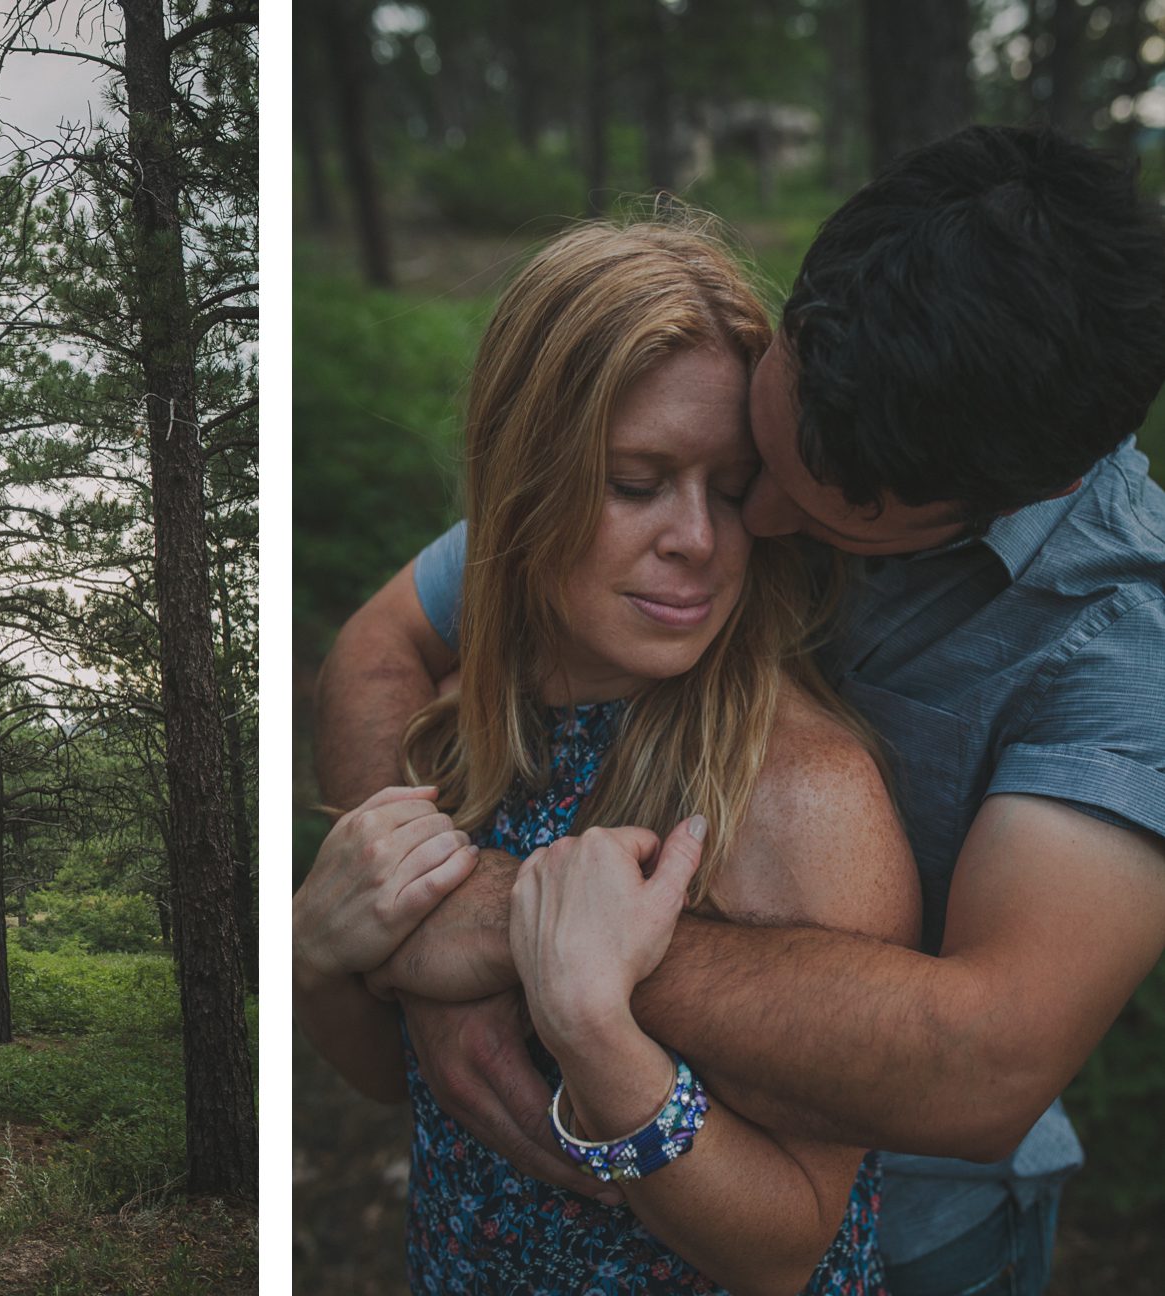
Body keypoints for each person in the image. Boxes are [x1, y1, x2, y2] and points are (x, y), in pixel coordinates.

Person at [311, 125, 1165, 1293]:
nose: (743, 530)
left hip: (924, 1233)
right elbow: (385, 641)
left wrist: (508, 928)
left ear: (996, 499)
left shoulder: (1120, 651)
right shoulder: (714, 434)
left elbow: (982, 1065)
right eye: (763, 435)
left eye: (818, 514)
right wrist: (388, 912)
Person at [297, 217, 921, 1292]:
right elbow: (394, 1088)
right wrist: (318, 960)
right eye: (638, 482)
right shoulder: (457, 730)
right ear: (521, 480)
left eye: (732, 490)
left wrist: (599, 1039)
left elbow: (790, 1246)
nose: (700, 538)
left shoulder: (795, 794)